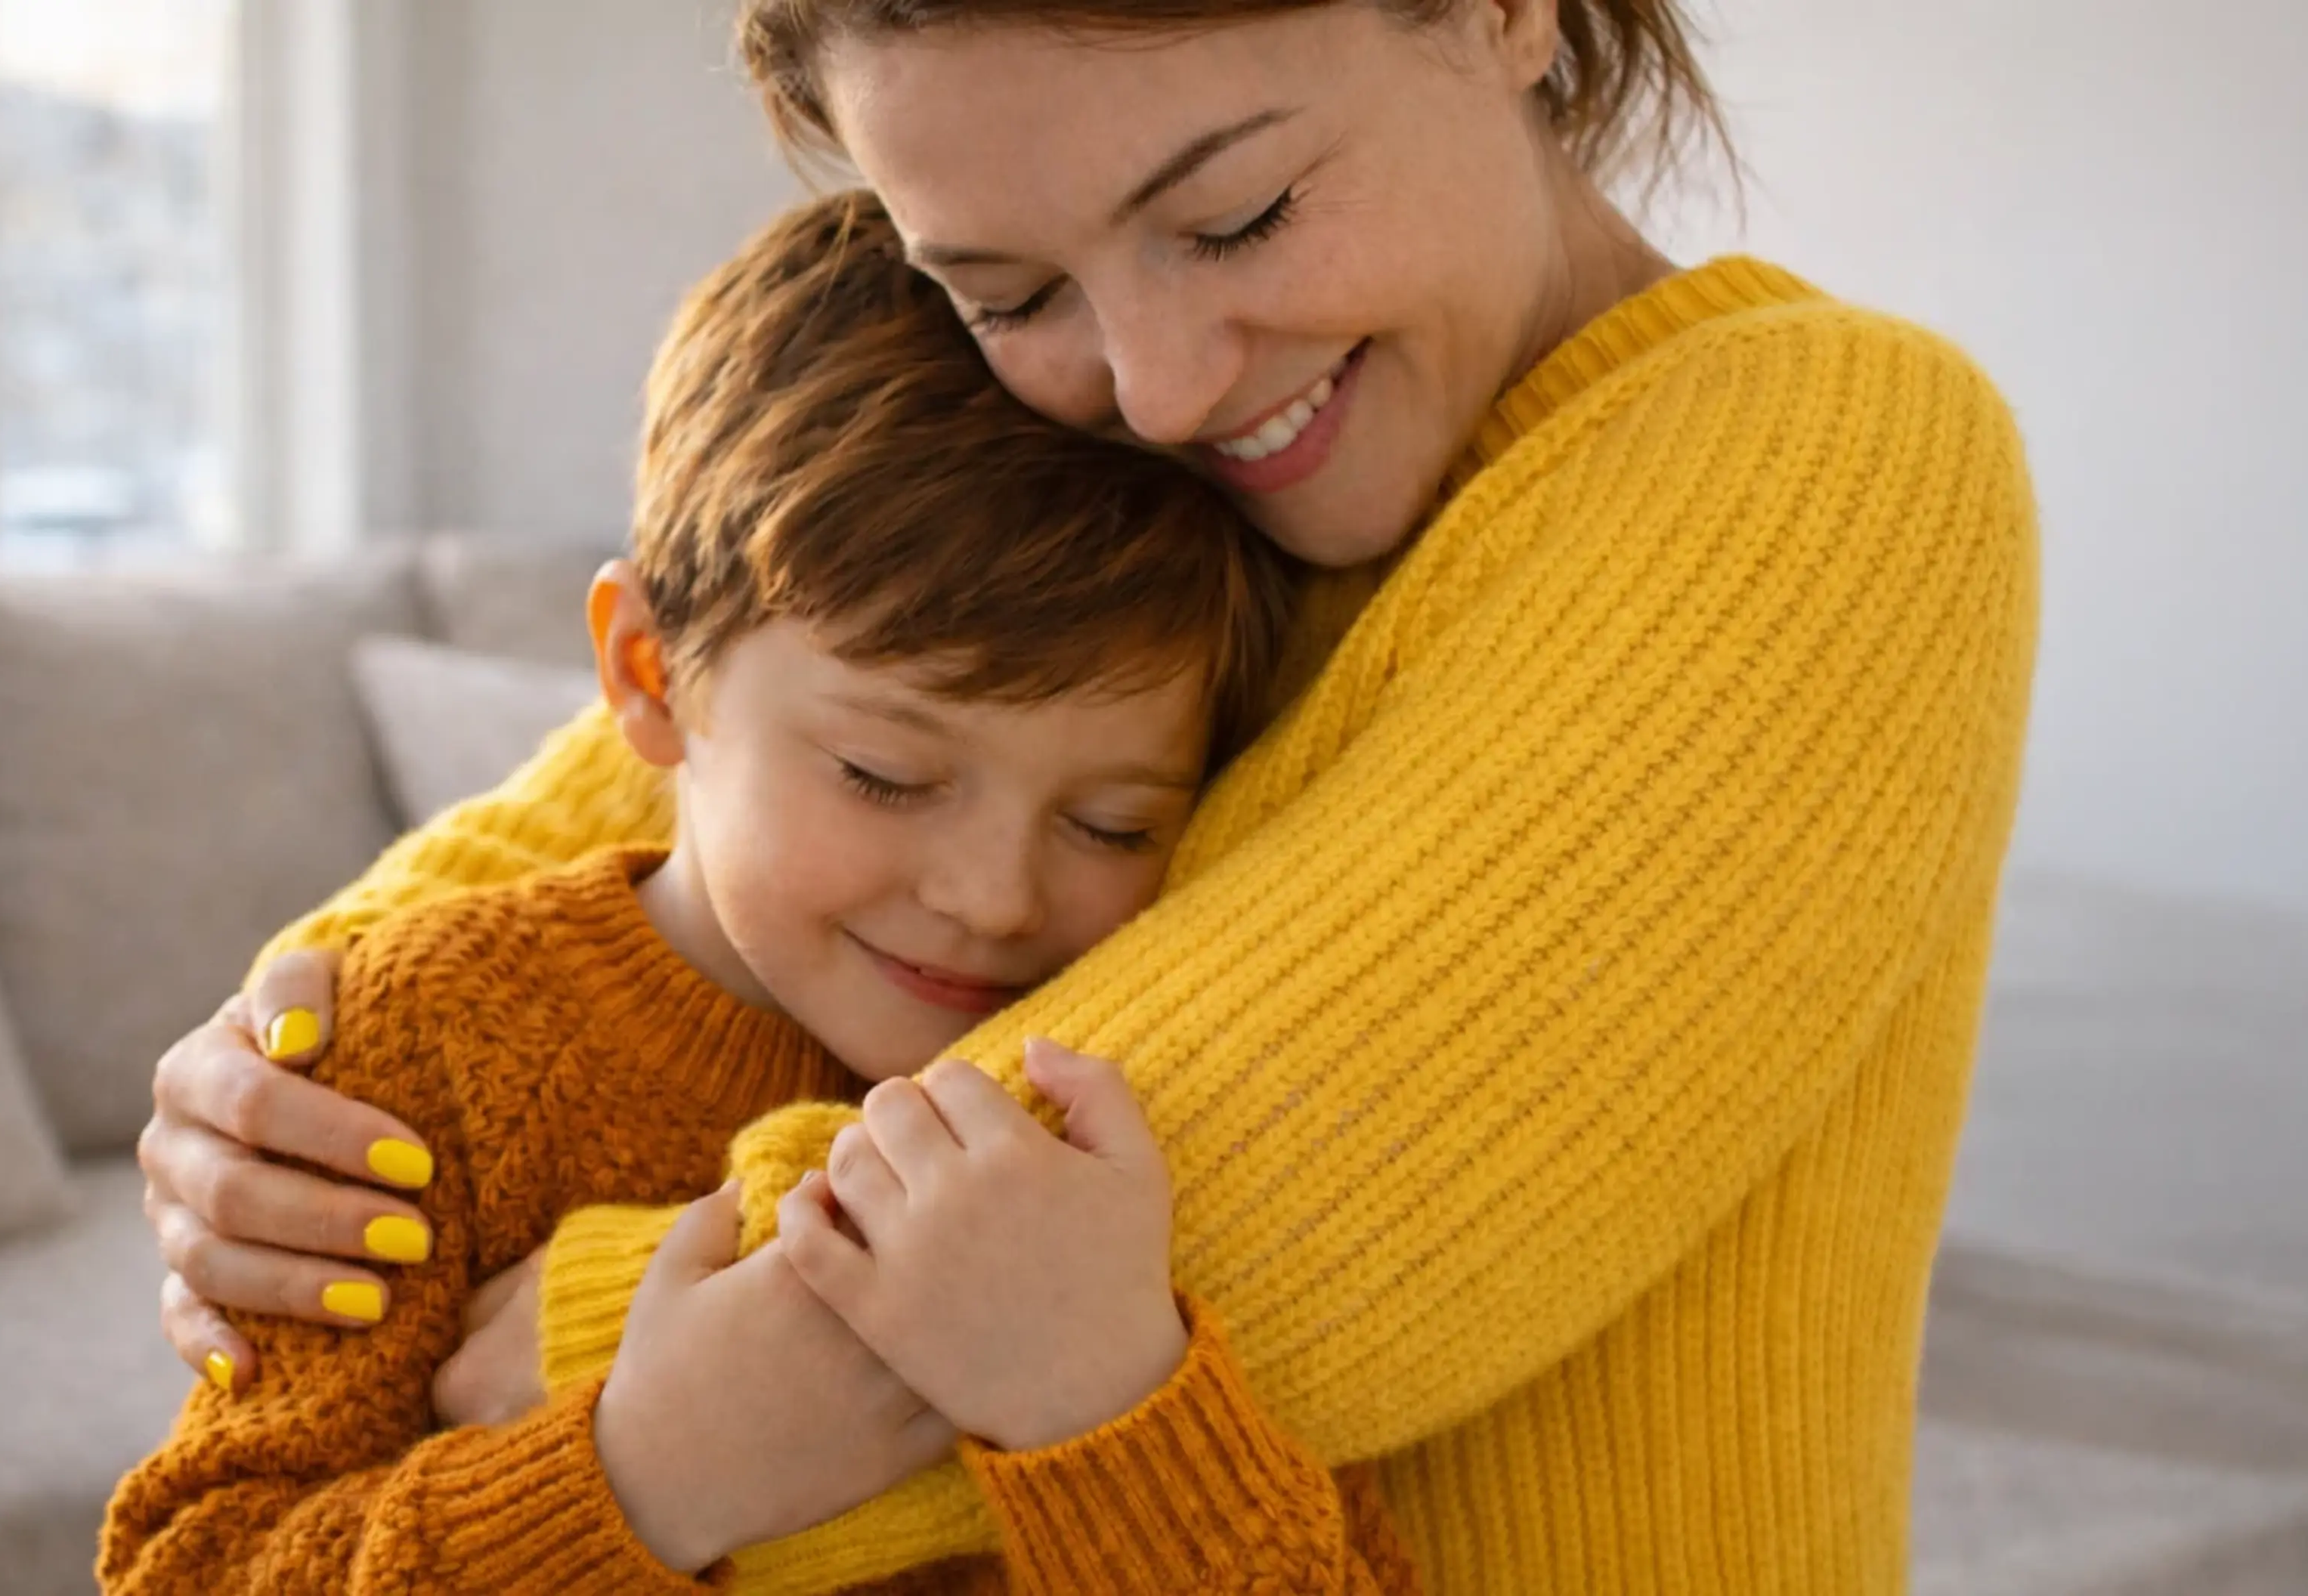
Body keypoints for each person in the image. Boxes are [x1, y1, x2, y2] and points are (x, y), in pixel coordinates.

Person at [138, 2, 2042, 1590]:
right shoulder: (1176, 472)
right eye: (1008, 288)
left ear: (1499, 14)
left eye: (1235, 215)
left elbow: (1257, 1253)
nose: (1151, 379)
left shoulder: (1827, 452)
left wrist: (572, 1339)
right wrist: (289, 1080)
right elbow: (647, 810)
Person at [102, 190, 1412, 1592]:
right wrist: (648, 1477)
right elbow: (194, 1570)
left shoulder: (1140, 1089)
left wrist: (1113, 1413)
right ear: (649, 675)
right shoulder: (416, 1056)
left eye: (1110, 822)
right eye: (885, 776)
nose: (993, 899)